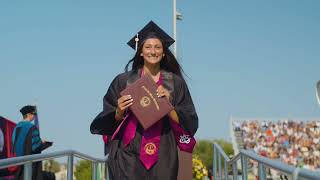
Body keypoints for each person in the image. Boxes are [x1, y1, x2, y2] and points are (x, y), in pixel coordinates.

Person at [90, 21, 198, 180]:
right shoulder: (123, 81)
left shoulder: (175, 84)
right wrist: (119, 110)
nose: (153, 51)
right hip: (128, 154)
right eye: (148, 47)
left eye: (157, 47)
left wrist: (169, 106)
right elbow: (105, 121)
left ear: (163, 53)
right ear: (140, 52)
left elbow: (190, 123)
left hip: (163, 155)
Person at [12, 105, 52, 180]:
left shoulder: (16, 127)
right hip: (31, 164)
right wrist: (43, 143)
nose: (34, 116)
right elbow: (35, 146)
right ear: (29, 114)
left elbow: (13, 144)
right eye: (33, 114)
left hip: (18, 163)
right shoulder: (32, 127)